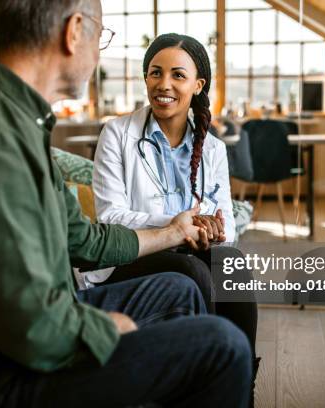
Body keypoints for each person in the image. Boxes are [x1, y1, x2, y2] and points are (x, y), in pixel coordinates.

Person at [0, 2, 252, 407]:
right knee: (222, 346)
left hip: (23, 332)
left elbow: (82, 239)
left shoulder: (14, 119)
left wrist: (175, 231)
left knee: (180, 288)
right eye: (102, 37)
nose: (99, 54)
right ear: (74, 31)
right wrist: (105, 328)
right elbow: (27, 327)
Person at [92, 32, 260, 396]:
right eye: (155, 73)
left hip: (190, 250)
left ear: (198, 85)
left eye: (177, 75)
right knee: (191, 270)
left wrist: (212, 231)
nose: (163, 84)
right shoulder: (117, 134)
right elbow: (111, 218)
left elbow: (227, 221)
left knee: (232, 266)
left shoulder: (212, 148)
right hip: (131, 255)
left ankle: (241, 383)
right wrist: (175, 227)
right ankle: (200, 383)